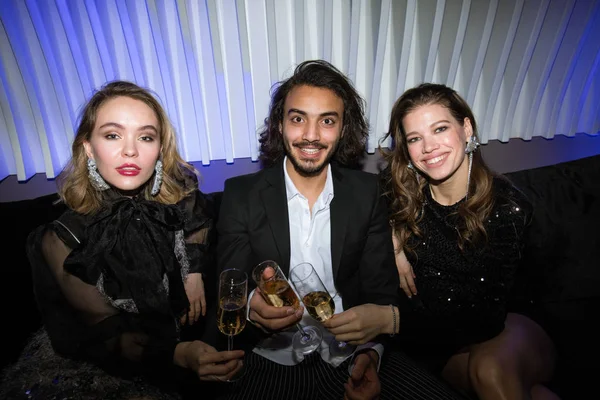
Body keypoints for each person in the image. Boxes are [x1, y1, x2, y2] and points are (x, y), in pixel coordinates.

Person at [216, 60, 466, 400]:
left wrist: (370, 354)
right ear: (280, 123)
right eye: (298, 118)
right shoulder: (240, 194)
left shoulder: (368, 192)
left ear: (343, 128)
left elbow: (381, 293)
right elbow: (230, 284)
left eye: (327, 121)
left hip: (351, 354)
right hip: (271, 357)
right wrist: (250, 307)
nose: (311, 136)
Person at [9, 81, 244, 399]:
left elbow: (198, 215)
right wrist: (180, 354)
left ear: (160, 149)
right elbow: (108, 334)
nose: (131, 150)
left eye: (145, 137)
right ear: (89, 148)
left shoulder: (175, 201)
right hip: (99, 371)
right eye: (112, 135)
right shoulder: (62, 240)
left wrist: (193, 272)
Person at [381, 83, 559, 400]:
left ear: (466, 128)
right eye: (414, 138)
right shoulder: (402, 193)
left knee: (489, 369)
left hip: (507, 326)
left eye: (439, 129)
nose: (428, 147)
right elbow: (359, 199)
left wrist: (389, 320)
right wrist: (392, 237)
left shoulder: (508, 209)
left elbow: (482, 320)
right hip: (437, 344)